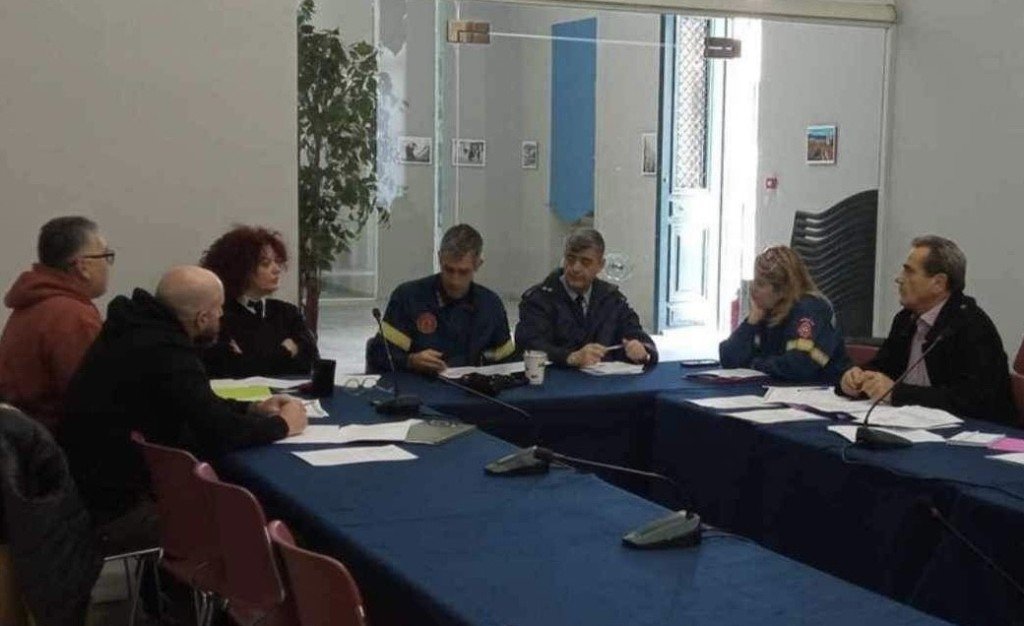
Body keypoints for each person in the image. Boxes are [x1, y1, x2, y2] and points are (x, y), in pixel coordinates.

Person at [59, 266, 307, 550]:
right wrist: (283, 425)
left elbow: (196, 402)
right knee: (275, 526)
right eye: (219, 309)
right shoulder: (166, 352)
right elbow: (220, 431)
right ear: (202, 318)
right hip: (117, 510)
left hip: (87, 492)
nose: (222, 315)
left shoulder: (132, 329)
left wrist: (252, 408)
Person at [838, 235, 1014, 423]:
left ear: (938, 283)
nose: (899, 279)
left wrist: (898, 393)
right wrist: (854, 379)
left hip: (976, 432)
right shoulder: (906, 318)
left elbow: (974, 401)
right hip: (912, 424)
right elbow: (883, 367)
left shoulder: (971, 326)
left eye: (909, 272)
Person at [0, 216, 113, 431]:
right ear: (82, 266)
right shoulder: (73, 316)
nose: (108, 266)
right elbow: (94, 398)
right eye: (105, 256)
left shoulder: (30, 304)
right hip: (53, 442)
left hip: (21, 437)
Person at [367, 224, 514, 374]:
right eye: (449, 270)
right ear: (439, 258)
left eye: (463, 272)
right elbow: (379, 355)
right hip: (420, 384)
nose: (455, 281)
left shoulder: (491, 305)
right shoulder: (409, 298)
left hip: (473, 386)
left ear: (478, 264)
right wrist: (410, 361)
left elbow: (508, 363)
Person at [516, 228, 657, 368]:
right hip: (556, 378)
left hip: (605, 379)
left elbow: (635, 333)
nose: (575, 268)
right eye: (570, 259)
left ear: (600, 265)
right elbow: (530, 344)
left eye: (585, 262)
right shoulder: (539, 299)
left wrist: (641, 349)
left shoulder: (611, 299)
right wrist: (569, 357)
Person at [199, 225, 318, 378]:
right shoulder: (219, 315)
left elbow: (311, 362)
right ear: (240, 268)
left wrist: (253, 361)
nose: (276, 269)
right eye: (265, 264)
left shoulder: (288, 312)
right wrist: (286, 351)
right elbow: (230, 370)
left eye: (277, 262)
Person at [719, 246, 850, 383]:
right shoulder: (767, 311)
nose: (752, 288)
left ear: (782, 290)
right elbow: (728, 358)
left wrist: (753, 364)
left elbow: (799, 365)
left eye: (760, 284)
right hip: (782, 388)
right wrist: (751, 322)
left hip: (824, 389)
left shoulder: (810, 309)